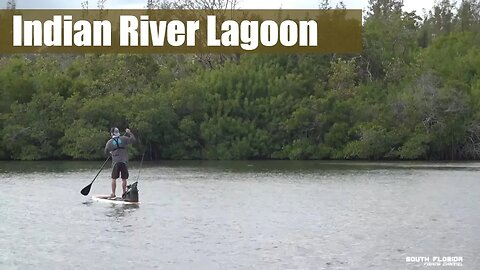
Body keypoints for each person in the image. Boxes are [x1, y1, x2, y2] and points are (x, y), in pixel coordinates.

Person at [104, 127, 136, 198]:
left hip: (115, 162)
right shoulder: (124, 138)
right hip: (124, 162)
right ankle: (124, 193)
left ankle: (113, 194)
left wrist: (111, 154)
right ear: (118, 132)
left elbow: (106, 152)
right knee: (124, 178)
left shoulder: (109, 142)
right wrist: (129, 132)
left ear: (112, 134)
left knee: (113, 178)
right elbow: (133, 139)